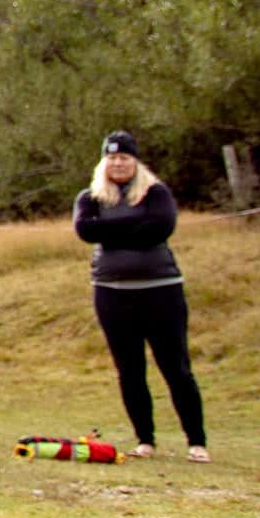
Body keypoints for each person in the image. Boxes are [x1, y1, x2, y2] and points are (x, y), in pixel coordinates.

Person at [73, 130, 208, 463]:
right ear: (104, 162)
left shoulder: (155, 192)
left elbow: (160, 227)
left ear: (135, 161)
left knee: (176, 367)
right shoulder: (90, 197)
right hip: (112, 294)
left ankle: (196, 441)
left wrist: (113, 232)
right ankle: (145, 439)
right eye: (113, 158)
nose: (118, 164)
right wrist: (135, 227)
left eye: (125, 158)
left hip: (161, 291)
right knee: (130, 370)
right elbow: (86, 230)